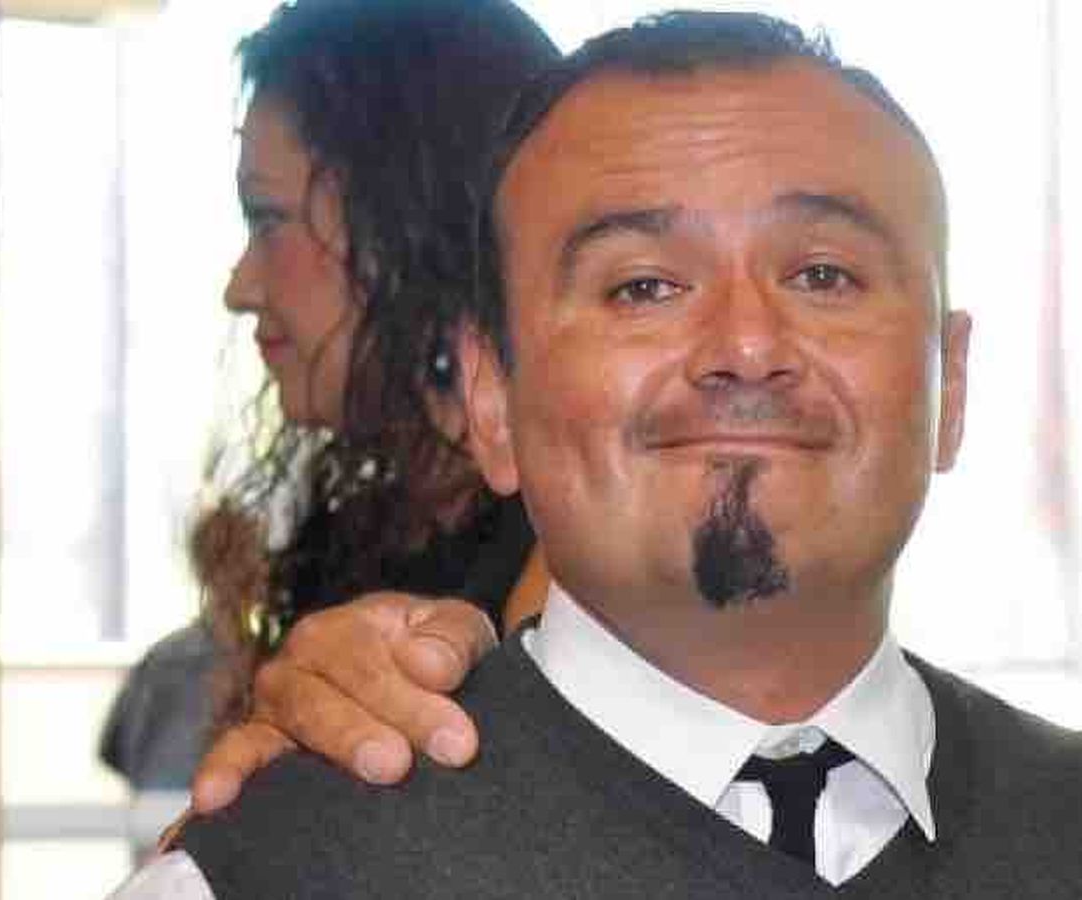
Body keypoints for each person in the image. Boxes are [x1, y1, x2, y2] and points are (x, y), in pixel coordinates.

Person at [117, 10, 1082, 898]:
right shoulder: (281, 871)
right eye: (643, 287)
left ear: (951, 383)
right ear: (491, 399)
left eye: (823, 275)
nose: (747, 345)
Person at [100, 0, 560, 822]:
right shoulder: (357, 534)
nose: (240, 287)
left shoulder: (572, 556)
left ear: (409, 227)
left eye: (269, 220)